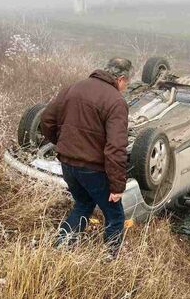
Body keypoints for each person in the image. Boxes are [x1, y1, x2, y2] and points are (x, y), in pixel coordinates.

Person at [40, 57, 132, 258]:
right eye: (127, 83)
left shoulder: (74, 88)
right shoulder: (116, 101)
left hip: (67, 164)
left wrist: (63, 143)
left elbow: (46, 119)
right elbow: (116, 147)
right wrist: (117, 186)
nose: (125, 87)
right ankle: (109, 262)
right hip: (93, 170)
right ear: (121, 78)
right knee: (115, 217)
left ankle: (59, 252)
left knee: (83, 205)